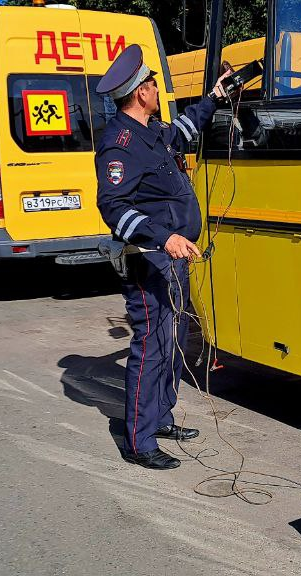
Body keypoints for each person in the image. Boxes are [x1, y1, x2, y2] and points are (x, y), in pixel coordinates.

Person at [95, 45, 231, 470]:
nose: (157, 89)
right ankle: (138, 439)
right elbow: (113, 206)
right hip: (148, 259)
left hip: (173, 259)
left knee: (172, 342)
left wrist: (214, 97)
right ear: (140, 92)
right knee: (150, 346)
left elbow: (186, 131)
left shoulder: (152, 131)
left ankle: (162, 416)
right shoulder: (119, 146)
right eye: (153, 84)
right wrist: (163, 235)